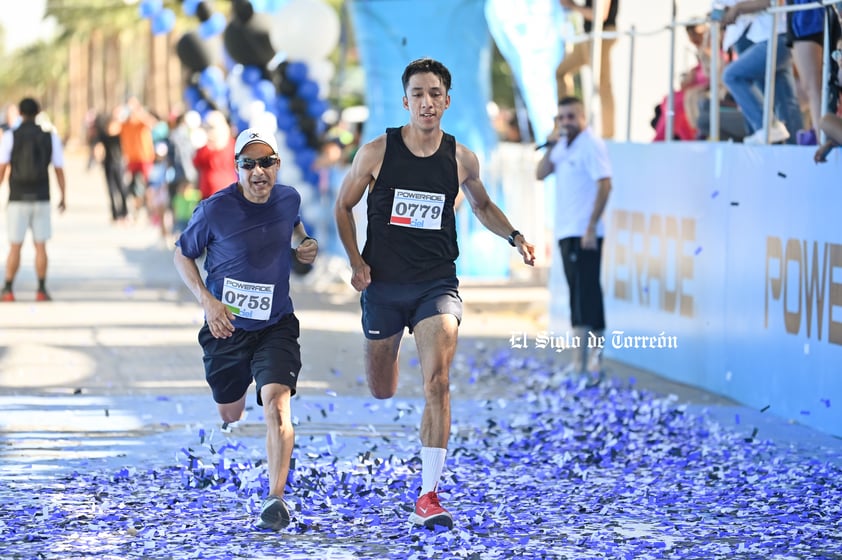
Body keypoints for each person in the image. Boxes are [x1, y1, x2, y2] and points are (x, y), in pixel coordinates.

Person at [334, 58, 536, 530]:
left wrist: (515, 236)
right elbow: (343, 206)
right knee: (382, 388)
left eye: (435, 94)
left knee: (438, 383)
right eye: (418, 94)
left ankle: (429, 494)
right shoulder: (376, 152)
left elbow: (483, 205)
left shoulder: (461, 158)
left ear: (447, 101)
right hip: (383, 285)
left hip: (436, 284)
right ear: (406, 101)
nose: (427, 102)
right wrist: (356, 263)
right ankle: (393, 349)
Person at [173, 128, 318, 530]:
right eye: (248, 164)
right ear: (236, 168)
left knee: (276, 402)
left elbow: (295, 228)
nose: (258, 171)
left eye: (266, 162)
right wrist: (207, 300)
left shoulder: (289, 198)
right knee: (231, 410)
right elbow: (182, 254)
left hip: (276, 325)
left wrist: (305, 243)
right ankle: (231, 402)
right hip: (226, 328)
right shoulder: (214, 209)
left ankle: (276, 498)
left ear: (277, 165)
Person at [536, 96, 611, 377]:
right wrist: (551, 144)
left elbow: (605, 184)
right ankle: (583, 362)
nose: (566, 122)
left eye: (571, 117)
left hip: (585, 232)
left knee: (587, 295)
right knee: (577, 294)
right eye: (561, 117)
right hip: (567, 231)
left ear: (583, 118)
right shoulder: (563, 146)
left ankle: (588, 362)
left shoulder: (591, 145)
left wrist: (591, 226)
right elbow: (540, 173)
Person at [0, 97, 67, 302]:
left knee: (15, 246)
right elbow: (58, 169)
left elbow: (2, 167)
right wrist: (63, 195)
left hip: (17, 197)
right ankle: (41, 289)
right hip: (41, 197)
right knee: (41, 246)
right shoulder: (50, 137)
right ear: (38, 113)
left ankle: (9, 289)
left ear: (20, 112)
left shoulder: (11, 136)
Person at [720, 0, 804, 144]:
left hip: (776, 35)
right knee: (785, 100)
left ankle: (769, 126)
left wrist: (738, 8)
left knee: (732, 76)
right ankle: (794, 147)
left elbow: (771, 2)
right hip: (766, 35)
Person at [556, 0, 620, 139]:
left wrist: (572, 6)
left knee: (603, 85)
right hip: (589, 36)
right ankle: (567, 120)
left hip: (602, 35)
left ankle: (608, 135)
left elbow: (599, 15)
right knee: (561, 72)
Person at [193, 110, 236, 200]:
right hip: (208, 192)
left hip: (225, 191)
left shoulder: (232, 145)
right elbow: (196, 162)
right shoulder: (205, 148)